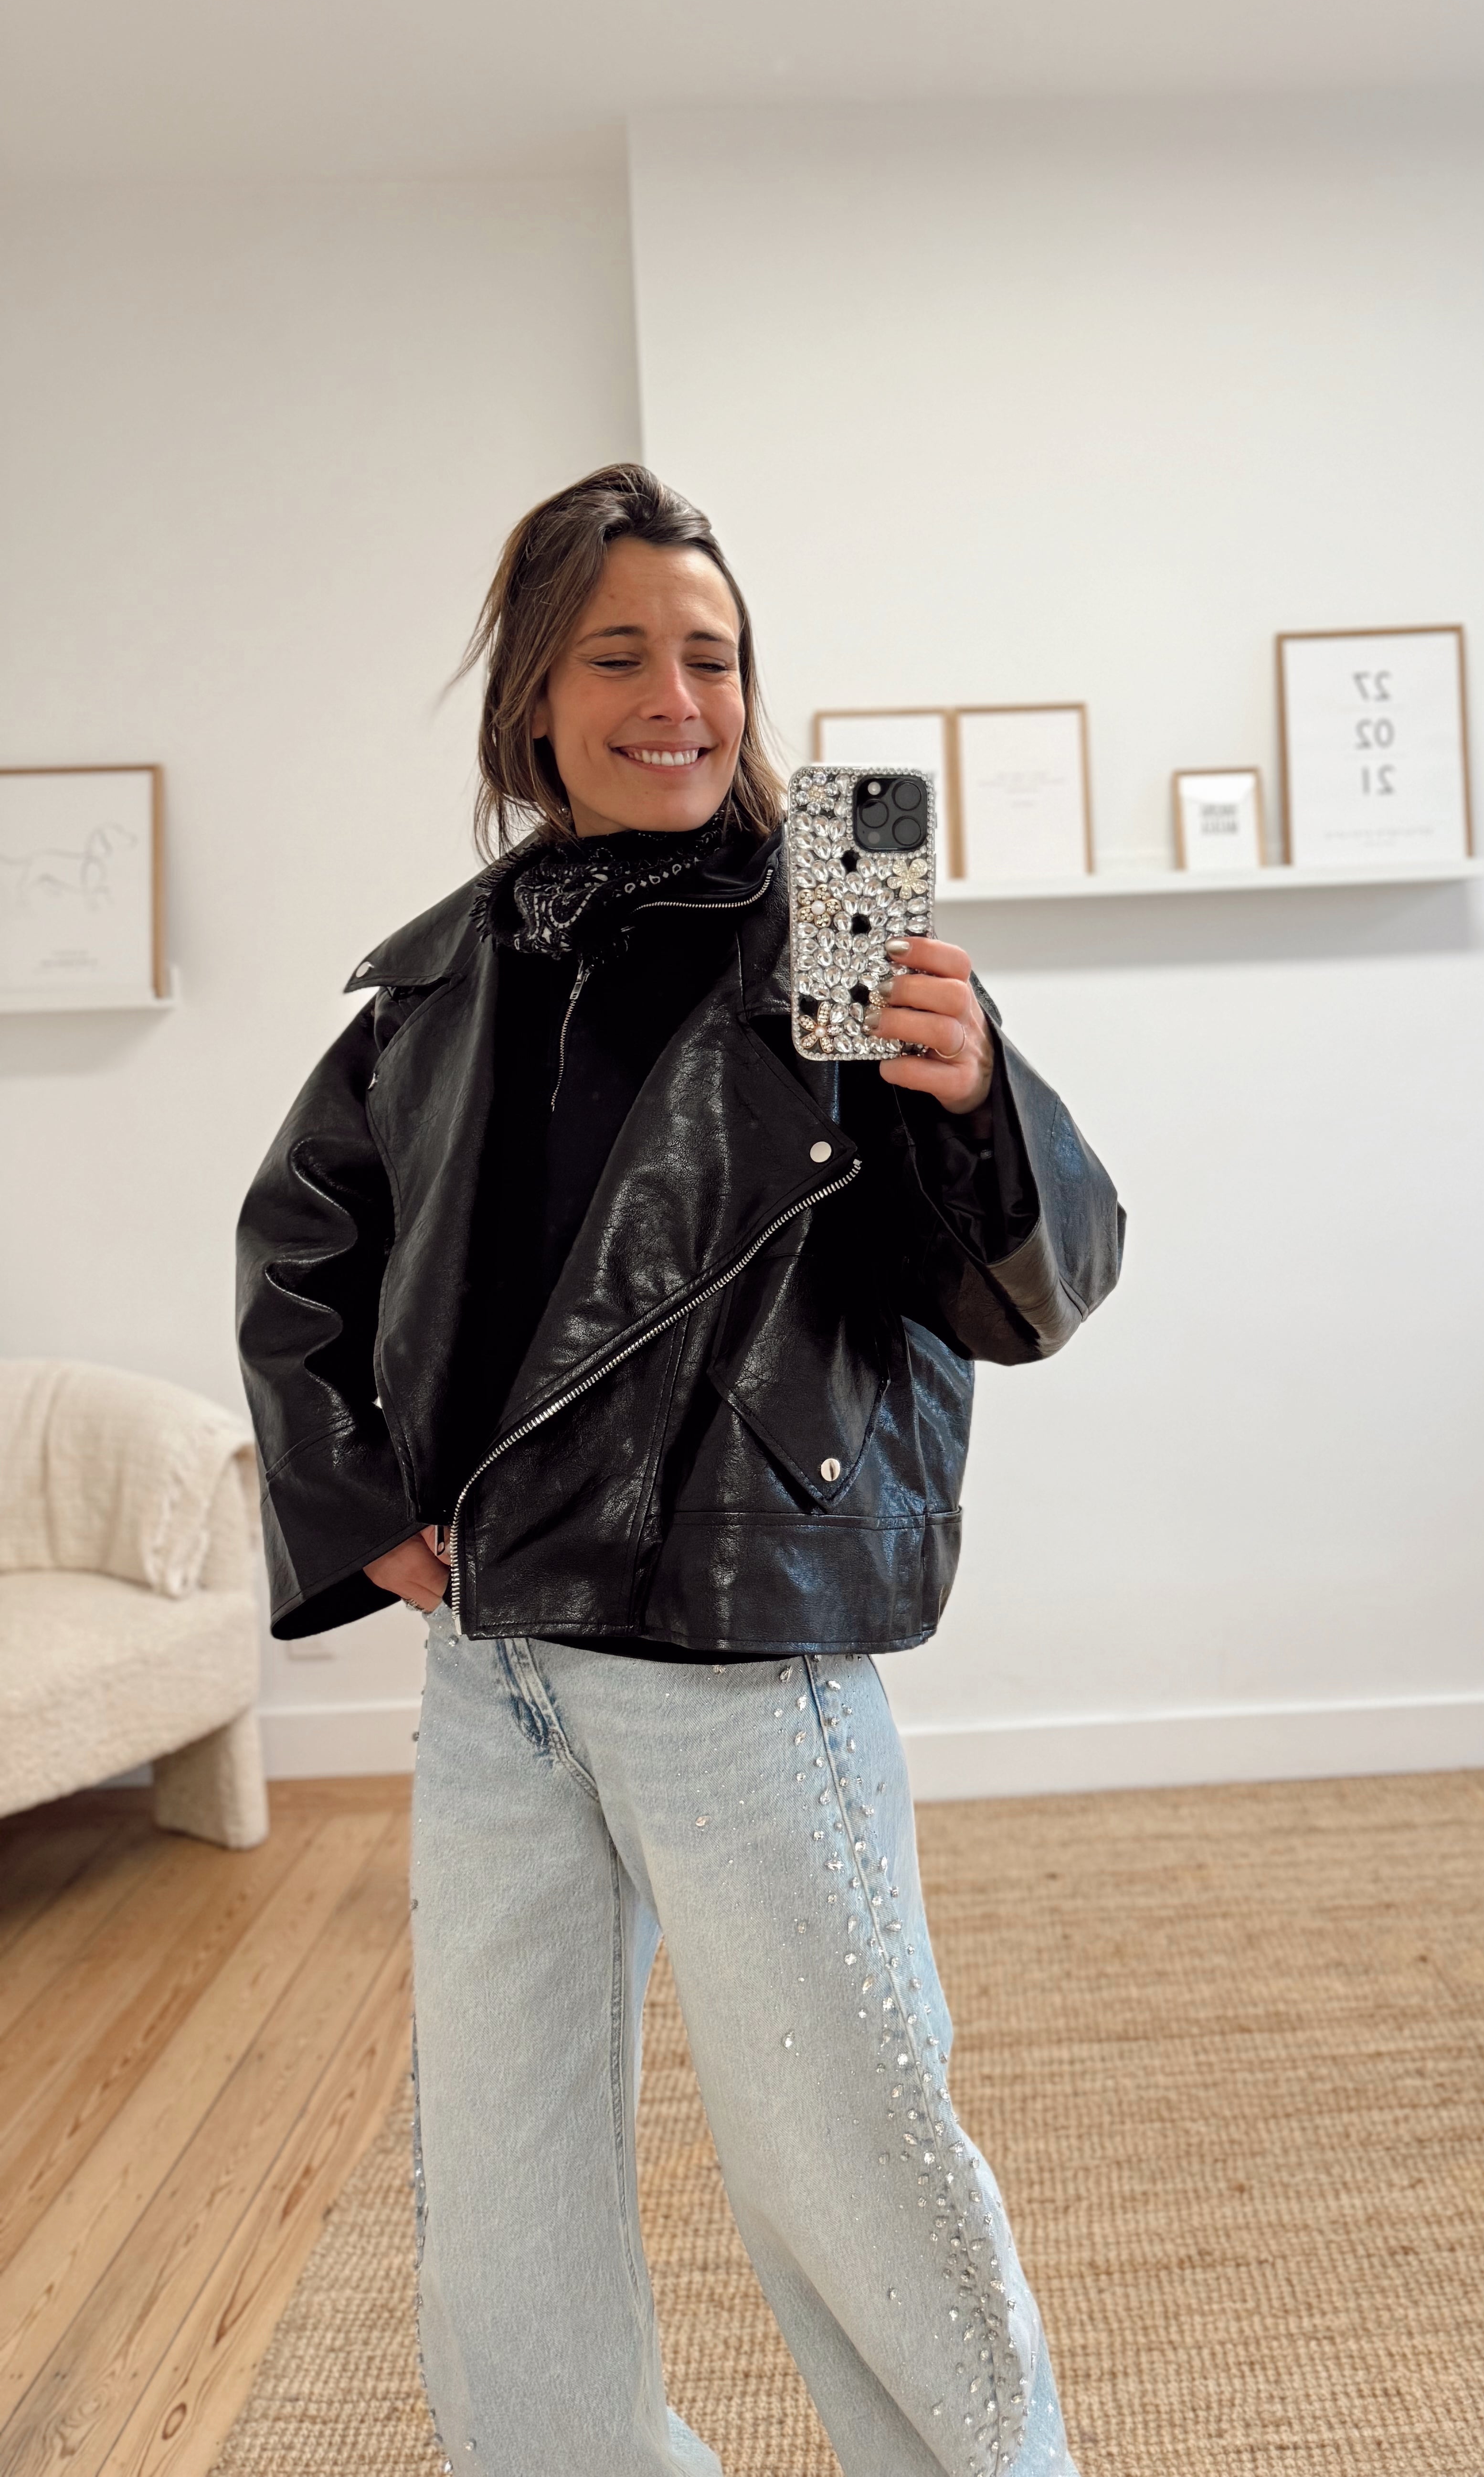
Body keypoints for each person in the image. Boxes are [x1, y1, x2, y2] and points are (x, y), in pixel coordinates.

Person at [236, 464, 1124, 2477]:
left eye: (711, 658)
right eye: (618, 655)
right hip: (497, 1670)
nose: (675, 700)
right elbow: (299, 1251)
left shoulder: (837, 943)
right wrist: (368, 1512)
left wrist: (978, 1099)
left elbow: (1024, 1295)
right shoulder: (445, 974)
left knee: (856, 2166)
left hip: (742, 1646)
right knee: (504, 2198)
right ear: (533, 700)